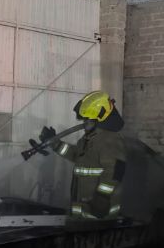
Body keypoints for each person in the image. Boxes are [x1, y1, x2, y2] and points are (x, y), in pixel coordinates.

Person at [39, 90, 127, 220]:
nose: (84, 123)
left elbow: (115, 170)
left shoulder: (110, 140)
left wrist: (102, 197)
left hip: (100, 213)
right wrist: (56, 144)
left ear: (99, 119)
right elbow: (77, 155)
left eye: (87, 119)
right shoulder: (90, 138)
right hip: (83, 211)